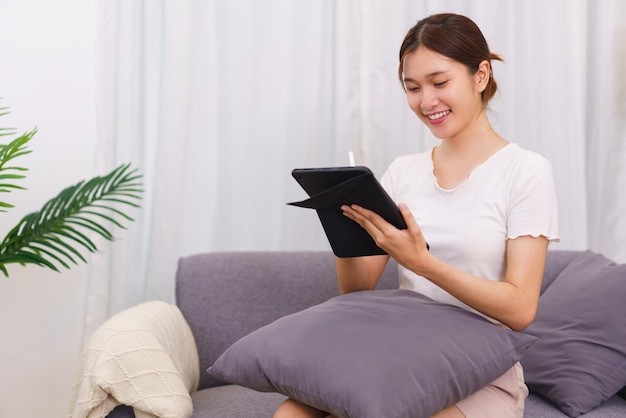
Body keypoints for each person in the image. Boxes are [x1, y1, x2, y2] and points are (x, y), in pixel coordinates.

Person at [274, 13, 558, 418]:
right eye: (413, 88)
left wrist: (422, 263)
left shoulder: (526, 171)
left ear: (481, 75)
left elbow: (519, 310)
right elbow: (356, 291)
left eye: (440, 83)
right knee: (291, 413)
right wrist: (340, 221)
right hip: (404, 358)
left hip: (481, 369)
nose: (427, 102)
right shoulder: (403, 172)